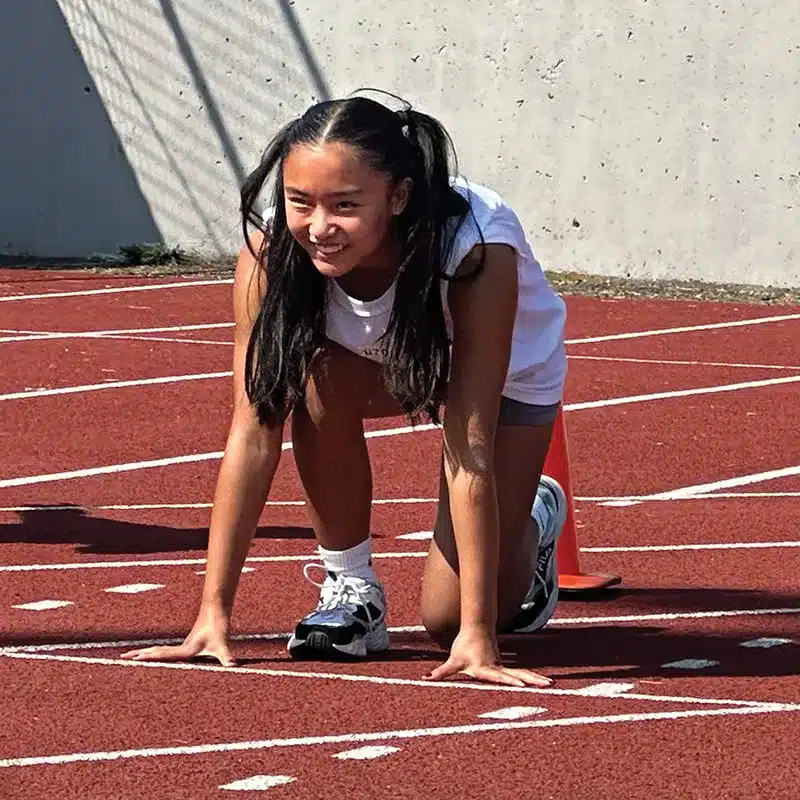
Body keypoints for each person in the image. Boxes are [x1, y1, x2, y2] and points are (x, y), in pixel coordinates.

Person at [121, 91, 569, 688]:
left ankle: (532, 520)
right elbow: (252, 431)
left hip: (507, 374)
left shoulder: (475, 247)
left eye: (345, 206)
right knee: (307, 377)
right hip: (372, 356)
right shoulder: (271, 252)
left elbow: (470, 444)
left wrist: (478, 634)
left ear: (399, 197)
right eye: (300, 201)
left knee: (448, 619)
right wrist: (212, 615)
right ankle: (351, 585)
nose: (319, 228)